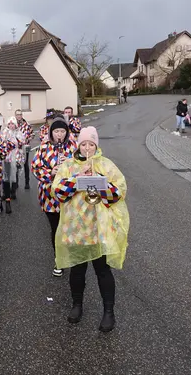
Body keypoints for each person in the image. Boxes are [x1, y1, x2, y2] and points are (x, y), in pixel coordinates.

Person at [52, 126, 129, 331]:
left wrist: (100, 182)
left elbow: (119, 192)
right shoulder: (68, 165)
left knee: (102, 271)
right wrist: (77, 178)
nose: (87, 148)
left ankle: (109, 312)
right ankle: (77, 305)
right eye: (84, 144)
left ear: (96, 146)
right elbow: (57, 192)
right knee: (77, 270)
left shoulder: (106, 165)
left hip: (99, 229)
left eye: (91, 144)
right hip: (76, 228)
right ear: (78, 145)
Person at [31, 116, 77, 277]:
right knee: (55, 228)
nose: (59, 134)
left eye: (62, 131)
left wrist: (69, 165)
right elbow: (35, 168)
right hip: (49, 196)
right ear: (51, 132)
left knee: (68, 227)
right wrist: (51, 172)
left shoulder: (73, 147)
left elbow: (83, 167)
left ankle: (70, 255)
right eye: (56, 131)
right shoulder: (44, 147)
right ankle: (59, 259)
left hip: (69, 195)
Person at [0, 116, 24, 214]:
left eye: (12, 124)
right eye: (9, 124)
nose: (11, 125)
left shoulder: (19, 132)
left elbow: (21, 142)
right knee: (6, 175)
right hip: (6, 156)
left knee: (15, 174)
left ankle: (13, 191)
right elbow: (1, 142)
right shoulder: (5, 132)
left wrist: (16, 141)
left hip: (15, 155)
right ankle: (5, 193)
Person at [14, 109, 33, 189]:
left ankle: (27, 183)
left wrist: (28, 139)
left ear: (22, 115)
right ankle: (16, 183)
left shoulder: (27, 124)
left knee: (25, 164)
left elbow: (32, 134)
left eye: (20, 114)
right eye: (17, 114)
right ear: (15, 115)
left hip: (25, 147)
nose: (19, 116)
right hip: (16, 148)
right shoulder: (13, 124)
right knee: (16, 164)